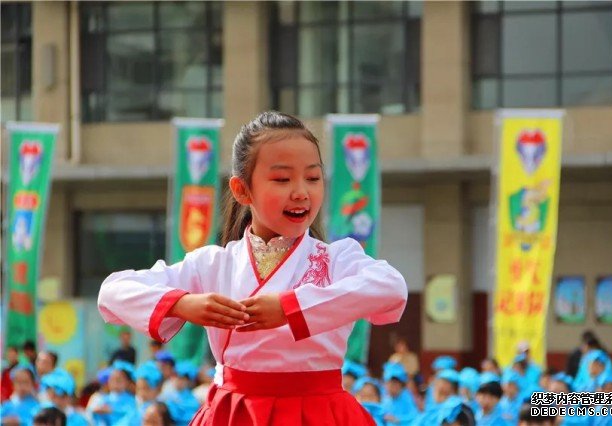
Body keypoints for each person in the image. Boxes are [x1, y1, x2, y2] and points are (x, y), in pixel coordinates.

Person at [97, 111, 408, 425]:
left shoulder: (338, 258)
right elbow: (111, 293)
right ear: (242, 190)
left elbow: (391, 288)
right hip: (235, 414)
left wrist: (290, 308)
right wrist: (183, 304)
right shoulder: (214, 264)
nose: (302, 191)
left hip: (318, 414)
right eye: (282, 179)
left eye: (313, 177)